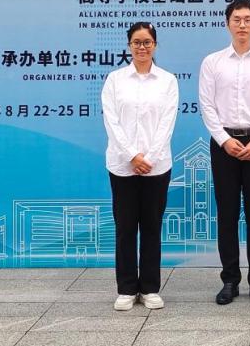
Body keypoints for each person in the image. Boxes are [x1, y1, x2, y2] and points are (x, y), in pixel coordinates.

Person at [199, 0, 250, 305]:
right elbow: (207, 105)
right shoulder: (212, 62)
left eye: (248, 19)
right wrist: (224, 140)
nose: (242, 25)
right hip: (224, 145)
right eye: (236, 19)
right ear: (227, 24)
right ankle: (230, 280)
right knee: (227, 214)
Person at [101, 22, 179, 311]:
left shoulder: (167, 80)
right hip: (122, 165)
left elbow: (167, 122)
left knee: (151, 227)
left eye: (147, 42)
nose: (142, 47)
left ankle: (149, 288)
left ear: (155, 45)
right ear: (129, 45)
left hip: (156, 167)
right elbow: (111, 121)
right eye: (137, 42)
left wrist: (150, 157)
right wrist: (132, 155)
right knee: (125, 227)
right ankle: (126, 288)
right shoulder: (115, 80)